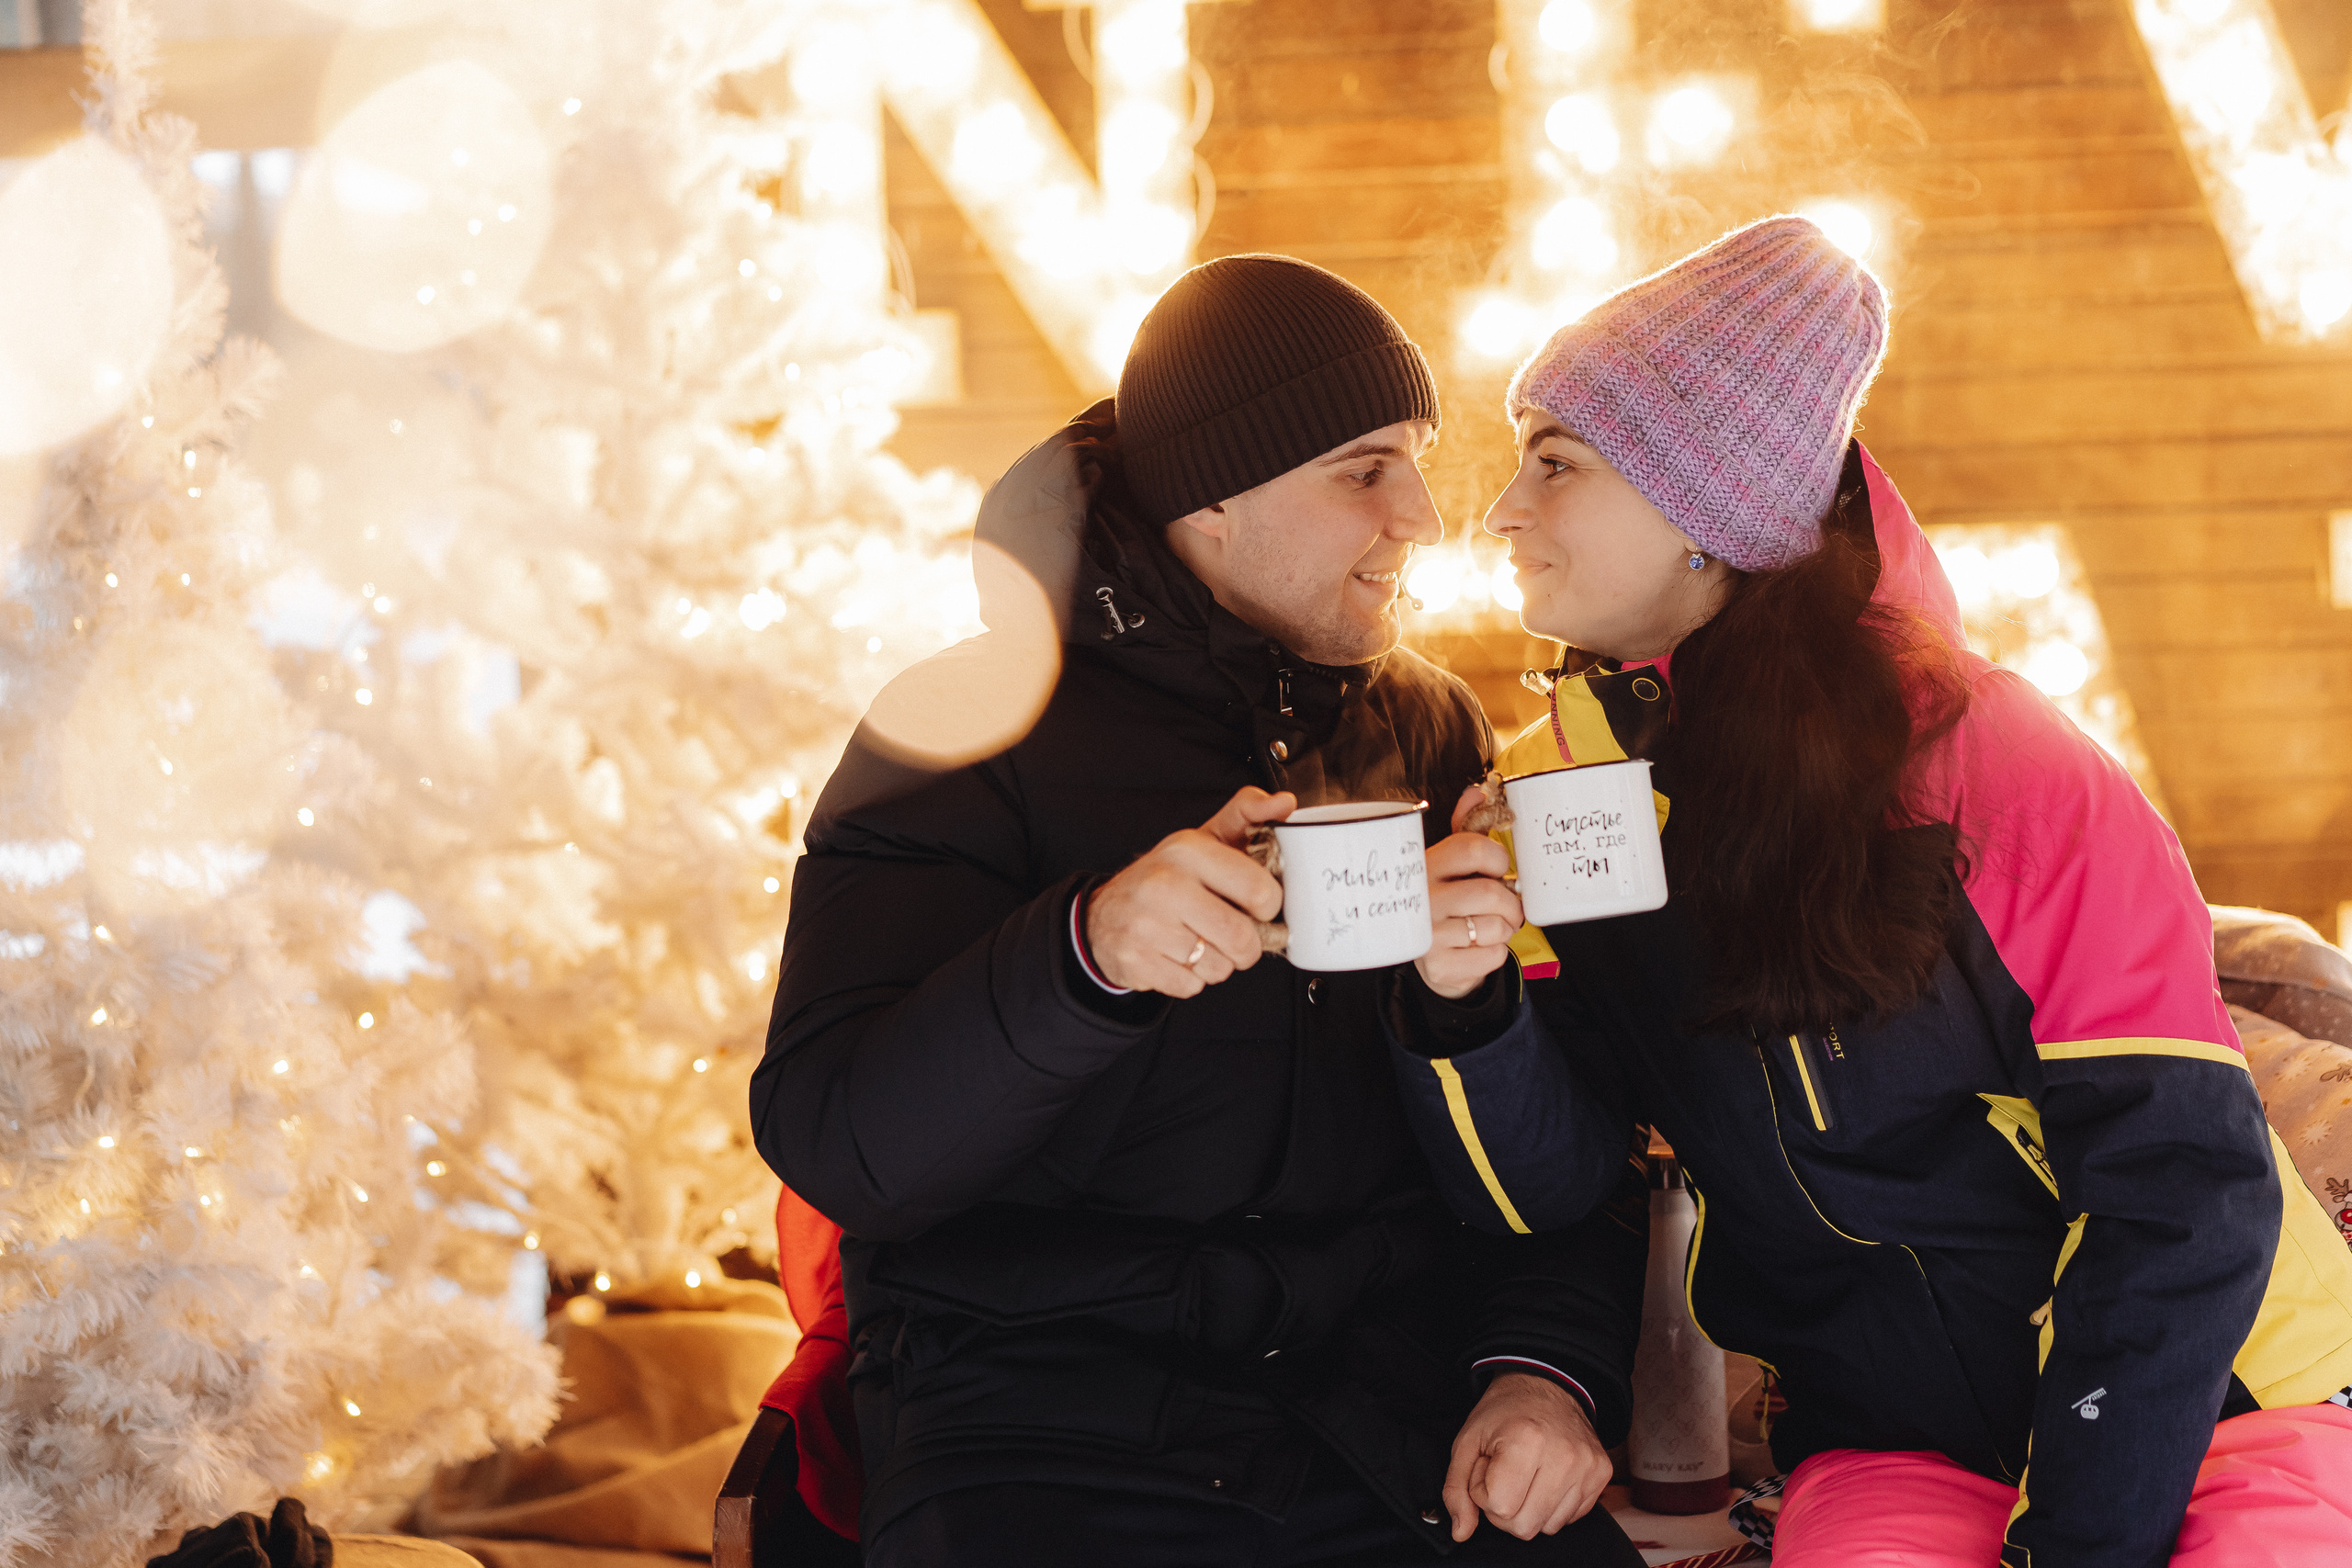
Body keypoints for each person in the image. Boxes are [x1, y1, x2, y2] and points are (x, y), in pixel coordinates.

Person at [1388, 216, 2352, 1568]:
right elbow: (1547, 1192)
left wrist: (2068, 1543)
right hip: (1899, 1439)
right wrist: (1462, 996)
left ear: (1701, 523)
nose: (1501, 510)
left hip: (2212, 1401)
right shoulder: (1549, 798)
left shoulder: (1999, 764)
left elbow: (2183, 1186)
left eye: (1557, 463)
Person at [752, 254, 1648, 1567]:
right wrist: (1083, 961)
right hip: (1045, 1437)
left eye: (1415, 462)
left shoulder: (1433, 727)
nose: (1421, 517)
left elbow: (1570, 1148)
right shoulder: (967, 729)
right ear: (1211, 500)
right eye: (1363, 471)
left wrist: (1545, 1371)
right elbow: (843, 1146)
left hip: (1381, 1426)